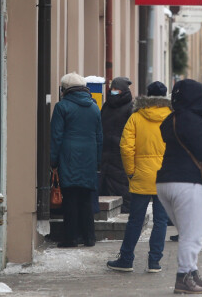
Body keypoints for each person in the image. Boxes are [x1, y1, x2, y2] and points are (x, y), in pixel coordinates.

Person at [156, 79, 202, 294]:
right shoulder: (193, 120)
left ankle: (192, 272)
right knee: (192, 235)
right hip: (187, 183)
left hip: (164, 182)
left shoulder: (171, 119)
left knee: (186, 232)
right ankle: (184, 277)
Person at [107, 81, 171, 273]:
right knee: (160, 221)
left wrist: (131, 171)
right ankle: (154, 262)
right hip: (165, 176)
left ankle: (126, 259)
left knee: (135, 219)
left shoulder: (136, 117)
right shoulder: (171, 117)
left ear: (146, 95)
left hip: (141, 175)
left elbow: (126, 147)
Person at [50, 72, 102, 248]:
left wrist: (53, 161)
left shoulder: (61, 107)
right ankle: (89, 237)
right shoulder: (94, 108)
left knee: (70, 197)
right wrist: (98, 160)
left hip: (68, 157)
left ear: (65, 89)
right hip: (89, 157)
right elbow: (99, 137)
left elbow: (56, 137)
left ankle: (71, 238)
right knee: (86, 197)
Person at [100, 76, 134, 213]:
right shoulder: (106, 106)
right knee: (106, 183)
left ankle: (124, 211)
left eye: (116, 89)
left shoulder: (130, 108)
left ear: (123, 90)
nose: (113, 91)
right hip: (105, 152)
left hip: (120, 153)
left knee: (121, 184)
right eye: (112, 88)